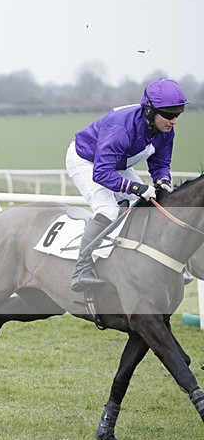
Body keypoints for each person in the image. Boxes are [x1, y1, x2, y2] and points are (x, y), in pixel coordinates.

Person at [66, 78, 189, 292]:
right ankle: (81, 269)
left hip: (117, 162)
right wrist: (137, 188)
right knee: (108, 210)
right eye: (169, 115)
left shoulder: (166, 130)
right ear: (150, 111)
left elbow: (160, 163)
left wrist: (163, 181)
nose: (174, 121)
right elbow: (102, 173)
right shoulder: (121, 128)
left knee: (150, 206)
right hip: (87, 161)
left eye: (177, 115)